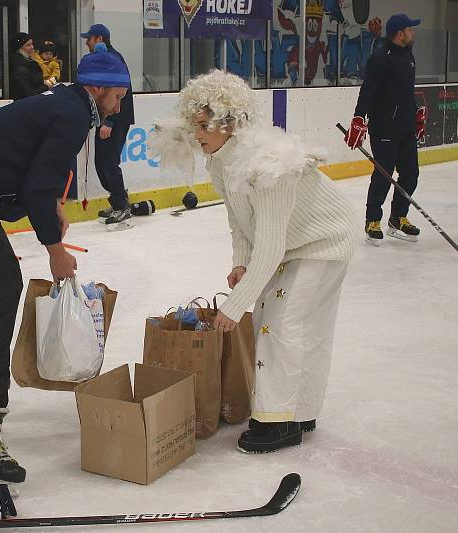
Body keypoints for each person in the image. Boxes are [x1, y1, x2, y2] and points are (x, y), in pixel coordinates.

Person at [0, 48, 129, 487]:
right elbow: (35, 183)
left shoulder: (68, 105)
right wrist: (55, 248)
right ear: (98, 88)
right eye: (119, 95)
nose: (121, 104)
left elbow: (36, 170)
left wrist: (52, 204)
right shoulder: (72, 114)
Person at [149, 69, 355, 453]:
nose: (196, 136)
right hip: (295, 243)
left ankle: (278, 422)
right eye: (194, 125)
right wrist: (240, 263)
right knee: (286, 324)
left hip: (323, 242)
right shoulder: (221, 159)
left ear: (228, 122)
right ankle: (298, 410)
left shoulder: (268, 166)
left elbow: (272, 245)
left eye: (202, 126)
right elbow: (240, 218)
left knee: (278, 324)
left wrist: (235, 304)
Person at [345, 13, 423, 246]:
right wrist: (359, 118)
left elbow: (405, 92)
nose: (413, 33)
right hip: (384, 129)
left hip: (405, 128)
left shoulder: (409, 57)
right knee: (384, 175)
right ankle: (372, 220)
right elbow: (367, 91)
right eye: (410, 30)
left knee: (411, 174)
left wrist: (415, 113)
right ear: (399, 34)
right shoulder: (380, 59)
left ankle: (398, 218)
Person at [81, 24, 136, 228]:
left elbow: (121, 92)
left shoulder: (113, 59)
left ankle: (122, 206)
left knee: (108, 163)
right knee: (102, 163)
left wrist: (109, 122)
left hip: (115, 121)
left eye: (89, 38)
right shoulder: (105, 58)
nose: (87, 42)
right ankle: (118, 202)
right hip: (106, 120)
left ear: (100, 39)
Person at [8, 32, 46, 100]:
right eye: (28, 45)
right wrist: (47, 86)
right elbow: (28, 94)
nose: (32, 47)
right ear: (19, 49)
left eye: (32, 44)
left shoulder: (29, 63)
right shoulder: (19, 67)